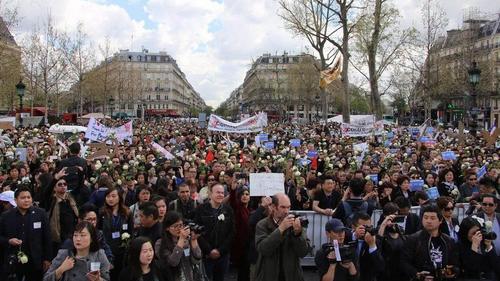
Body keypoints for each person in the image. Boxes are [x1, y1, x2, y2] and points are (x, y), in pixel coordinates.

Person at [0, 186, 52, 281]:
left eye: (29, 197)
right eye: (23, 198)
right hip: (13, 261)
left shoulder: (40, 214)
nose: (26, 200)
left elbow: (47, 237)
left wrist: (47, 259)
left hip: (35, 261)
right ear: (15, 200)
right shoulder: (6, 216)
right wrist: (8, 241)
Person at [254, 193, 310, 281]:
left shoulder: (295, 223)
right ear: (273, 207)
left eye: (289, 207)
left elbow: (303, 252)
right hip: (268, 275)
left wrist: (297, 234)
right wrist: (280, 229)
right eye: (283, 207)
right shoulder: (262, 224)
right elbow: (263, 249)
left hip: (291, 275)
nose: (287, 211)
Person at [400, 204, 459, 281]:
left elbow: (455, 263)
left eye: (432, 218)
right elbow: (404, 262)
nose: (428, 221)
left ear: (440, 220)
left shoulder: (448, 241)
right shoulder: (412, 239)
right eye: (426, 218)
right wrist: (417, 274)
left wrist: (451, 271)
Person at [43, 221, 110, 281]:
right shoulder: (64, 254)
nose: (78, 239)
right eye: (75, 235)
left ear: (91, 238)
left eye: (82, 235)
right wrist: (61, 269)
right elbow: (46, 278)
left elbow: (107, 279)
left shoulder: (99, 255)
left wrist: (98, 279)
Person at [194, 183, 235, 281]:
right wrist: (209, 250)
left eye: (222, 193)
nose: (220, 195)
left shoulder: (228, 210)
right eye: (218, 192)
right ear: (210, 194)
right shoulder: (201, 209)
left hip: (223, 255)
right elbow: (197, 232)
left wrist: (220, 250)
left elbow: (232, 232)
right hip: (206, 256)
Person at [98, 187, 134, 281]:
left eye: (113, 196)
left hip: (122, 250)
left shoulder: (127, 213)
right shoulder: (102, 213)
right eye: (108, 196)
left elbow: (131, 231)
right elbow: (99, 231)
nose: (110, 199)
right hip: (107, 250)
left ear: (119, 197)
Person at [155, 211, 203, 281]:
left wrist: (193, 240)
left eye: (181, 225)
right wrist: (181, 240)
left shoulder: (187, 240)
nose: (179, 228)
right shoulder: (160, 243)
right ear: (167, 228)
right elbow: (173, 262)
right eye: (175, 226)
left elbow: (197, 259)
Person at [348, 212, 385, 281]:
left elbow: (380, 267)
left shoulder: (375, 240)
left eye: (369, 227)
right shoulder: (346, 236)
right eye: (363, 227)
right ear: (353, 227)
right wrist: (355, 236)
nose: (366, 230)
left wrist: (372, 246)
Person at [47, 177, 79, 253]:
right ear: (54, 188)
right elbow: (46, 193)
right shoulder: (52, 200)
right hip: (59, 236)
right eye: (60, 184)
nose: (63, 186)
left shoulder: (70, 199)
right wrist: (55, 179)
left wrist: (80, 173)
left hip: (73, 234)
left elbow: (80, 187)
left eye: (65, 184)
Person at [376, 203, 406, 281]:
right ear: (385, 216)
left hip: (400, 269)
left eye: (396, 215)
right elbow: (378, 243)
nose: (394, 218)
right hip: (386, 270)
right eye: (391, 215)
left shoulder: (400, 229)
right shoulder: (379, 229)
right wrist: (384, 224)